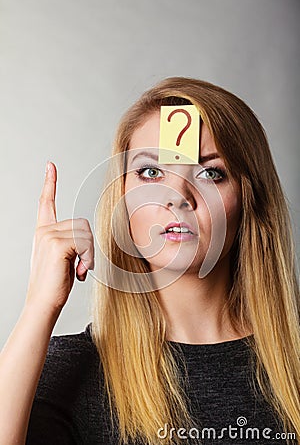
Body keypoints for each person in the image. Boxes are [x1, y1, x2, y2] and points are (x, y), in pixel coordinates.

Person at [0, 77, 299, 445]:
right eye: (151, 172)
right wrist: (38, 307)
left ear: (250, 200)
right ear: (122, 197)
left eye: (210, 172)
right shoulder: (73, 368)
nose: (175, 196)